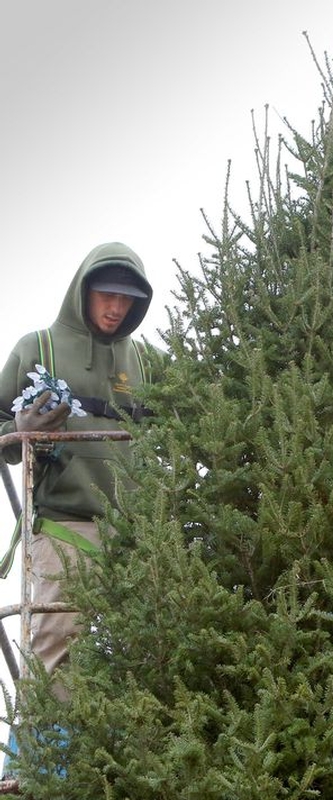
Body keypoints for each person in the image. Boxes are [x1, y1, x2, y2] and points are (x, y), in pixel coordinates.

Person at [0, 241, 154, 698]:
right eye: (106, 294)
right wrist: (18, 430)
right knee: (54, 650)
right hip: (64, 527)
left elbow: (198, 417)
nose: (116, 307)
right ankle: (44, 769)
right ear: (83, 291)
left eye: (127, 299)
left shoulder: (147, 360)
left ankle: (120, 766)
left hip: (136, 531)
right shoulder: (38, 347)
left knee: (149, 651)